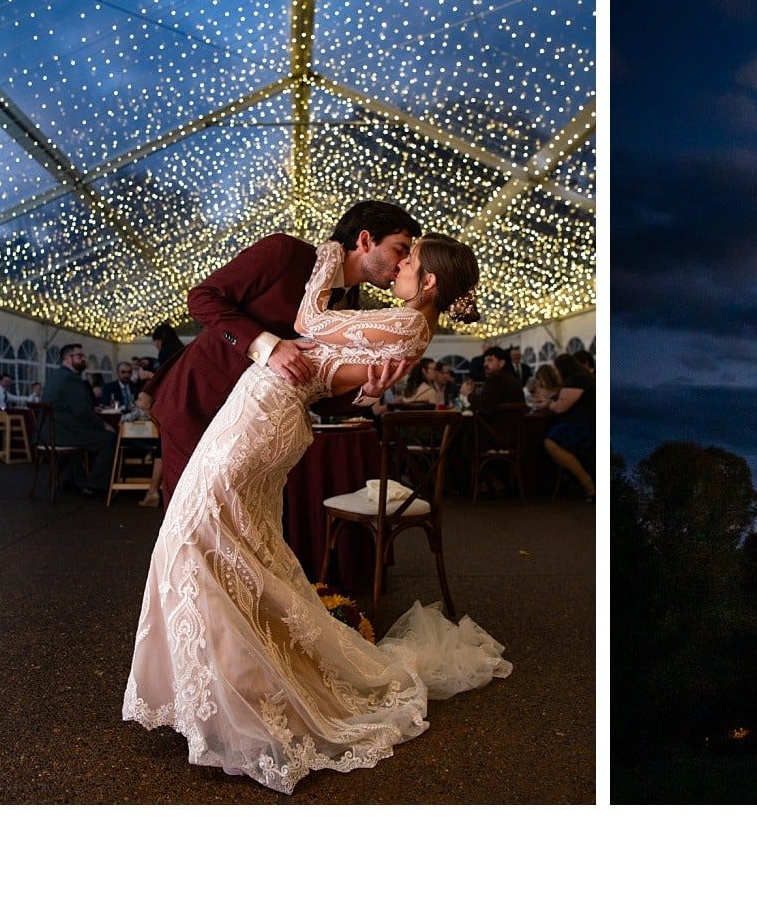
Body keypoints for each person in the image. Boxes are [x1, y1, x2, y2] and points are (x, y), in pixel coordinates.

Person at [124, 235, 509, 794]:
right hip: (262, 410)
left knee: (194, 535)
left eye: (410, 260)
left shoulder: (405, 325)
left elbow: (308, 321)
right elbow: (334, 367)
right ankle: (230, 684)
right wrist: (364, 389)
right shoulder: (405, 325)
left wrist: (327, 255)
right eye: (400, 251)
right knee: (238, 545)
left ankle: (234, 696)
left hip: (262, 415)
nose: (400, 265)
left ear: (427, 282)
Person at [144, 201, 419, 505]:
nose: (403, 263)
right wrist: (268, 346)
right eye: (400, 249)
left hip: (252, 433)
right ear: (365, 240)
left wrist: (366, 392)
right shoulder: (284, 252)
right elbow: (201, 298)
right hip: (199, 405)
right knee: (192, 518)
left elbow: (320, 396)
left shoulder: (351, 305)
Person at [46, 344, 117, 494]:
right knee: (110, 438)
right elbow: (82, 411)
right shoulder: (71, 379)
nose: (83, 359)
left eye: (83, 356)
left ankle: (72, 479)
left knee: (94, 435)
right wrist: (103, 425)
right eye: (79, 356)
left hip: (47, 434)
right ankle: (92, 484)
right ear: (66, 359)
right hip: (64, 434)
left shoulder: (55, 376)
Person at [543, 350, 594, 500]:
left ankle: (587, 484)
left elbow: (560, 407)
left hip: (584, 427)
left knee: (551, 442)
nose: (556, 374)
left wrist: (548, 404)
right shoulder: (584, 378)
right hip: (589, 423)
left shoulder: (576, 380)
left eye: (556, 370)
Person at [463, 346, 523, 415]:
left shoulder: (495, 379)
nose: (485, 364)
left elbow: (486, 406)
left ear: (501, 363)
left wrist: (469, 394)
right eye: (485, 361)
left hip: (497, 424)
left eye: (490, 360)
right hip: (515, 424)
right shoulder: (513, 378)